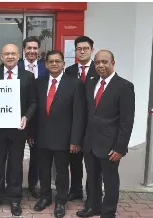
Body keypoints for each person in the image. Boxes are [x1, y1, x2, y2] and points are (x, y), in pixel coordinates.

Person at [76, 50, 135, 218]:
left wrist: (120, 147)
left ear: (113, 63)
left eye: (105, 62)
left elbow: (127, 121)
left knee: (110, 180)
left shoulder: (124, 86)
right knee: (92, 178)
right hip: (90, 142)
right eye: (97, 62)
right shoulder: (91, 82)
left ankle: (108, 211)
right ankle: (93, 206)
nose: (101, 65)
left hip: (110, 144)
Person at [33, 50, 86, 218]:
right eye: (51, 61)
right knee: (43, 170)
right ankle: (45, 197)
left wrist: (76, 139)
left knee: (62, 172)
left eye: (57, 61)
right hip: (41, 136)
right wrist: (31, 134)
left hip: (64, 137)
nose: (54, 64)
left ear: (63, 63)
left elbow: (79, 114)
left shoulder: (75, 83)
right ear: (46, 64)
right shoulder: (39, 83)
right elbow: (34, 110)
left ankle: (61, 201)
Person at [0, 44, 36, 216]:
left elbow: (33, 102)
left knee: (16, 164)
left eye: (13, 54)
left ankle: (15, 199)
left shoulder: (28, 76)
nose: (9, 56)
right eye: (6, 54)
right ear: (1, 57)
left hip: (18, 129)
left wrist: (26, 118)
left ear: (18, 56)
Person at [64, 36, 98, 202]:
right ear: (75, 51)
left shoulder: (98, 69)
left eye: (85, 48)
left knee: (91, 163)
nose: (82, 51)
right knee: (74, 160)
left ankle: (92, 194)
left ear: (92, 50)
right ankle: (75, 189)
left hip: (93, 125)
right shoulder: (69, 71)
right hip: (73, 123)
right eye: (79, 49)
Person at [17, 36, 49, 199]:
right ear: (24, 50)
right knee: (16, 154)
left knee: (37, 155)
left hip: (39, 120)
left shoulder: (46, 68)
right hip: (18, 119)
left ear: (39, 50)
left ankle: (32, 184)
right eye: (28, 48)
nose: (32, 51)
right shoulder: (16, 66)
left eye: (35, 48)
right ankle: (14, 185)